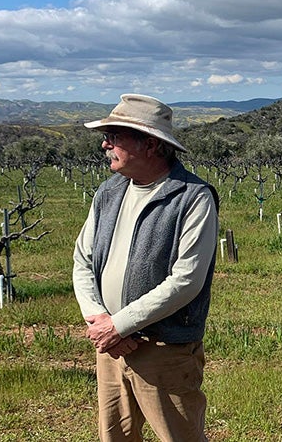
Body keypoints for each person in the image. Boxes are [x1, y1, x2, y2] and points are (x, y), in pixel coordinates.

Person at [72, 93, 218, 441]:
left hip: (163, 349)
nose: (106, 144)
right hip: (110, 347)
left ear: (151, 145)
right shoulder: (109, 192)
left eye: (116, 136)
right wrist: (100, 322)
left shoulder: (192, 197)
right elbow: (82, 259)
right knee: (116, 436)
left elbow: (186, 280)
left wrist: (119, 325)